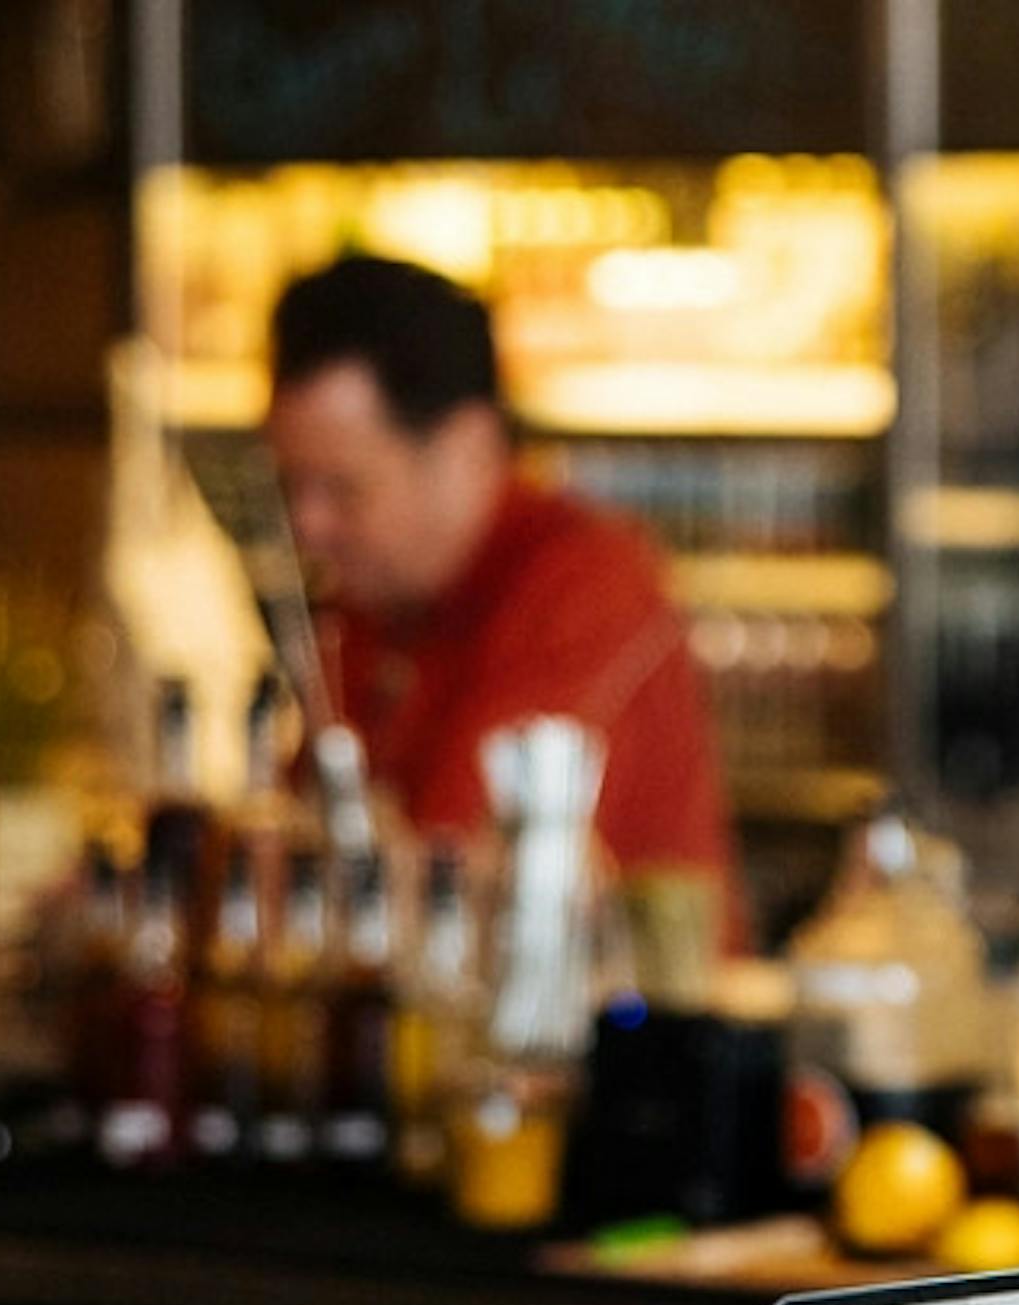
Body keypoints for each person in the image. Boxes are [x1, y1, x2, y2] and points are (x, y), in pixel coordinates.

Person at [264, 254, 736, 901]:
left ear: (467, 450)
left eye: (341, 489)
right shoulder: (376, 597)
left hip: (617, 1002)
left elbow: (450, 875)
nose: (307, 524)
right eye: (292, 485)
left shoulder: (587, 584)